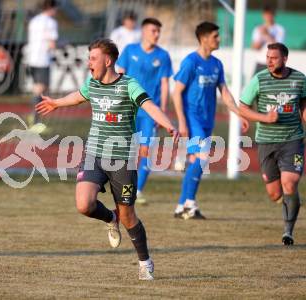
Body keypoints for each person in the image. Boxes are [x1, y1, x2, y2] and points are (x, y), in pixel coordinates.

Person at [36, 38, 178, 280]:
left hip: (122, 159)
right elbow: (78, 96)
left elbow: (149, 105)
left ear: (108, 60)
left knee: (129, 215)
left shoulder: (129, 85)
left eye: (93, 58)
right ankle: (110, 218)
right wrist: (57, 103)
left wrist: (168, 124)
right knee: (84, 204)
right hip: (94, 154)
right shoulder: (93, 84)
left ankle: (145, 262)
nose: (89, 63)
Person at [172, 22, 248, 220]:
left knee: (195, 161)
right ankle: (189, 202)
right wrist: (181, 121)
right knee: (203, 158)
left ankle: (182, 206)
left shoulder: (216, 64)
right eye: (215, 36)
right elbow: (176, 92)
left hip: (207, 119)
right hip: (192, 118)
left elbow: (225, 92)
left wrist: (240, 114)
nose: (219, 39)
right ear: (204, 38)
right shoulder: (191, 62)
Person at [239, 43, 305, 246]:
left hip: (292, 139)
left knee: (290, 182)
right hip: (266, 141)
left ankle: (288, 232)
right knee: (275, 193)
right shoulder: (259, 79)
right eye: (267, 57)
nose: (269, 61)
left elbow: (303, 105)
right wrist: (263, 118)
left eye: (274, 58)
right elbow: (243, 106)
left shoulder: (300, 79)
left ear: (284, 59)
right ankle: (291, 201)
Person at [116, 17, 172, 204]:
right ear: (143, 31)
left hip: (150, 112)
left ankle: (137, 190)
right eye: (153, 31)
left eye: (158, 31)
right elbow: (120, 75)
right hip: (128, 109)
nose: (156, 34)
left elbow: (165, 84)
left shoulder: (163, 56)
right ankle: (123, 188)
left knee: (146, 151)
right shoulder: (130, 50)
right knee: (127, 152)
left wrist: (162, 111)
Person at [26, 0, 58, 131]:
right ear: (51, 8)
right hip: (42, 59)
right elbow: (52, 44)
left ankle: (34, 119)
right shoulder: (51, 22)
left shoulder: (34, 21)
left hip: (31, 58)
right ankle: (35, 120)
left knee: (37, 88)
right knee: (41, 88)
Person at [251, 6, 285, 74]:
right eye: (266, 15)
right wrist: (261, 37)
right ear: (263, 16)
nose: (268, 17)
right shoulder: (258, 29)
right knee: (255, 84)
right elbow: (254, 47)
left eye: (270, 14)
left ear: (274, 15)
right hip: (260, 62)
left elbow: (279, 47)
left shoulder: (279, 29)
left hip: (274, 64)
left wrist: (267, 34)